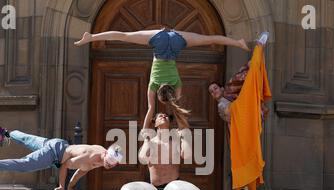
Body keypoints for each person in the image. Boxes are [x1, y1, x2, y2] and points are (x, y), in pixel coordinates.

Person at [74, 28, 250, 131]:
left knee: (208, 40)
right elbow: (150, 109)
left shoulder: (176, 84)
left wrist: (183, 129)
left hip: (175, 42)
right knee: (126, 36)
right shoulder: (154, 84)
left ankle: (238, 42)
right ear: (159, 93)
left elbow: (178, 108)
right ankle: (238, 42)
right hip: (158, 41)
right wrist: (144, 130)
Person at [0, 127, 123, 190]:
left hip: (58, 144)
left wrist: (70, 186)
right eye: (107, 162)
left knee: (28, 139)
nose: (107, 166)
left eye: (110, 165)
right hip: (54, 154)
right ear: (104, 156)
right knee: (24, 165)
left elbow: (81, 172)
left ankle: (5, 133)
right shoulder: (90, 158)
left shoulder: (102, 153)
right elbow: (66, 165)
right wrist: (62, 185)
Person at [208, 32, 272, 190]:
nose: (214, 91)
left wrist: (256, 58)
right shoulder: (221, 105)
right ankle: (242, 189)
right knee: (241, 158)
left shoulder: (230, 88)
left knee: (251, 152)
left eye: (215, 88)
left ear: (221, 88)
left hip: (247, 125)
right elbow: (230, 114)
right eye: (211, 92)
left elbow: (246, 77)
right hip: (237, 133)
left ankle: (259, 47)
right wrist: (244, 102)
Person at [138, 111, 191, 190]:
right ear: (155, 123)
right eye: (160, 116)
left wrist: (184, 137)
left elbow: (187, 155)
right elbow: (143, 158)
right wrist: (146, 139)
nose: (163, 116)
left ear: (170, 123)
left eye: (166, 116)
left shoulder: (175, 142)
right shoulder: (151, 142)